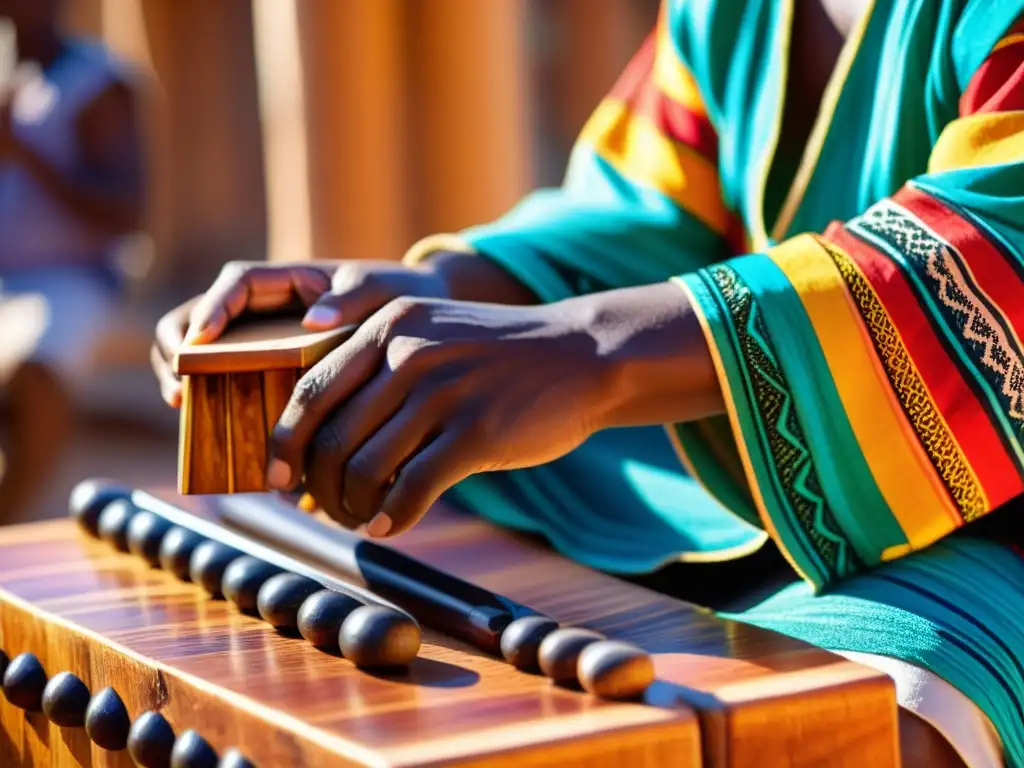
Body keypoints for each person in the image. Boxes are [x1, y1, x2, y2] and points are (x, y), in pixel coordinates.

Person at [153, 0, 1024, 764]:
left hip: (996, 528)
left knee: (815, 726)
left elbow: (990, 266)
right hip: (742, 478)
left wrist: (587, 355)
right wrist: (433, 295)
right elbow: (643, 211)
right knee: (392, 495)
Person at [0, 0, 145, 523]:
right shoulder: (10, 73)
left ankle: (7, 529)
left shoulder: (96, 82)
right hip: (6, 284)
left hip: (72, 281)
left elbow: (127, 212)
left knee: (38, 371)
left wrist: (23, 150)